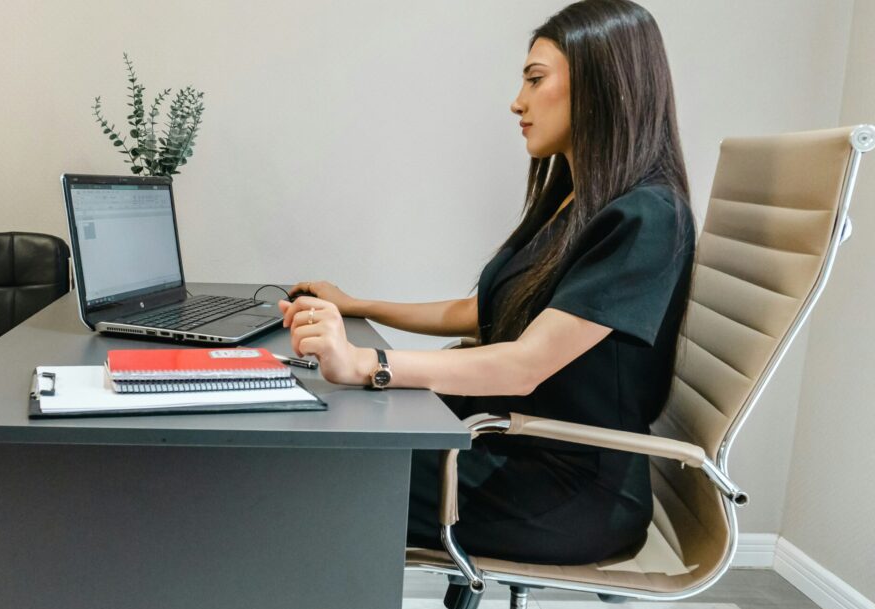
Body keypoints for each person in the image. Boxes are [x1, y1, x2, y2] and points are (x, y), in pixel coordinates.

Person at [277, 0, 696, 565]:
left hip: (569, 487)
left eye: (535, 79)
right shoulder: (576, 200)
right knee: (330, 432)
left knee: (328, 469)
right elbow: (489, 311)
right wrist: (358, 304)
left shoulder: (646, 216)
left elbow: (524, 363)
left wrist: (366, 363)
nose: (516, 102)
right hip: (511, 443)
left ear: (600, 85)